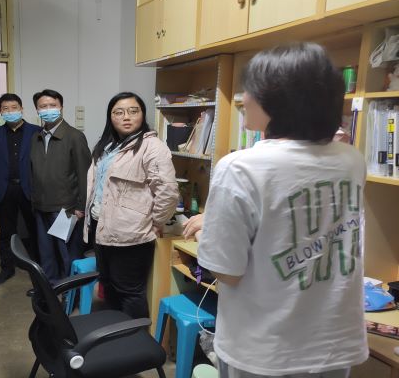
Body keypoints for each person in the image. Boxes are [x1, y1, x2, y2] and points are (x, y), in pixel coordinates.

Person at [194, 43, 368, 377]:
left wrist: (207, 229)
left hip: (265, 351)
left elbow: (227, 271)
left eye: (250, 90)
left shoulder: (240, 167)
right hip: (334, 346)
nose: (243, 99)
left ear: (280, 99)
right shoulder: (351, 160)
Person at [84, 92, 178, 318]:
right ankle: (115, 331)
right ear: (110, 117)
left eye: (133, 111)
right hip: (100, 226)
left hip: (131, 233)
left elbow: (167, 191)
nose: (126, 117)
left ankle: (134, 336)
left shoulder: (151, 146)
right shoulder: (107, 145)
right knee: (108, 284)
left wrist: (155, 222)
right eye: (118, 112)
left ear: (142, 114)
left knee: (129, 291)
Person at [30, 89, 91, 284]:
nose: (48, 109)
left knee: (66, 254)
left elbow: (85, 174)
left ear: (61, 107)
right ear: (37, 110)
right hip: (41, 206)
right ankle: (50, 288)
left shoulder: (74, 136)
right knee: (46, 252)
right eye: (43, 106)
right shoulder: (37, 137)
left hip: (66, 209)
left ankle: (70, 291)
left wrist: (81, 207)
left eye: (52, 105)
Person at [0, 93, 41, 285]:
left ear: (22, 109)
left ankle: (37, 268)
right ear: (0, 112)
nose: (10, 112)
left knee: (35, 230)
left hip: (29, 189)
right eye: (5, 109)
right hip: (4, 189)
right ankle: (7, 268)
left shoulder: (36, 132)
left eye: (14, 108)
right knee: (6, 231)